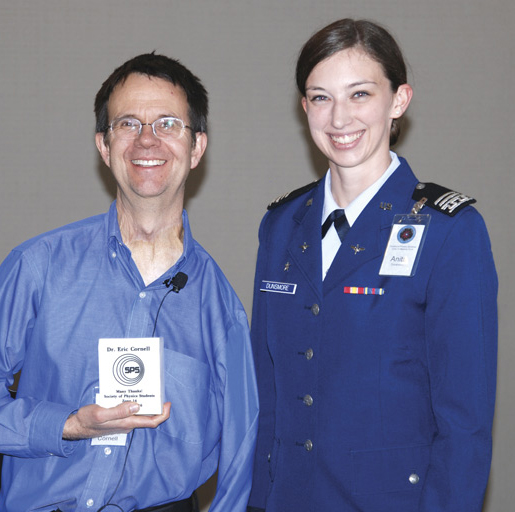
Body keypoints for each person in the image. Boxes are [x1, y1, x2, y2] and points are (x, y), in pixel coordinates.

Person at [247, 18, 497, 512]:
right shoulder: (280, 227)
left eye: (359, 94)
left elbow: (464, 422)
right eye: (321, 97)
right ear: (305, 107)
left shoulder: (450, 230)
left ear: (398, 100)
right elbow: (266, 394)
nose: (339, 118)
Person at [0, 53, 259, 512]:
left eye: (167, 123)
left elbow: (241, 457)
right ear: (103, 144)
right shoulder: (36, 267)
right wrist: (68, 424)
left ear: (197, 147)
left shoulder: (221, 308)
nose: (147, 140)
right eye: (127, 124)